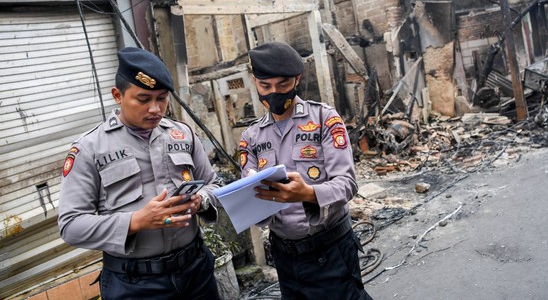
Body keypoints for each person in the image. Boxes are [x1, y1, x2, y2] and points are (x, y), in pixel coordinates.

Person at [58, 47, 221, 300]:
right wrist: (136, 221)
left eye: (162, 98)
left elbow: (212, 184)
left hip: (196, 271)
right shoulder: (89, 149)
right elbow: (71, 226)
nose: (155, 109)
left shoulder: (183, 134)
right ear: (117, 95)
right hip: (135, 284)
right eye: (143, 99)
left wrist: (201, 200)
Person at [238, 41, 372, 299]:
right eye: (265, 86)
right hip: (285, 257)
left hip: (330, 250)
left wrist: (308, 193)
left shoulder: (324, 119)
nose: (274, 93)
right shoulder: (251, 137)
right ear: (254, 81)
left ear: (297, 79)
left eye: (283, 85)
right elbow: (250, 193)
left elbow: (347, 183)